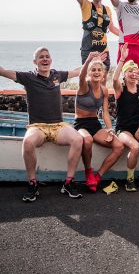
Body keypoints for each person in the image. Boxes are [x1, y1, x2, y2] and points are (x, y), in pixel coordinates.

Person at [0, 47, 83, 202]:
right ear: (35, 62)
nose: (45, 59)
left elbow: (77, 72)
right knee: (28, 141)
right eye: (41, 57)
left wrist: (91, 59)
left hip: (58, 125)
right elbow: (4, 71)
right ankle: (33, 183)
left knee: (78, 139)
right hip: (37, 127)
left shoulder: (57, 75)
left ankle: (68, 182)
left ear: (51, 60)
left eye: (47, 56)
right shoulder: (27, 77)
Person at [75, 52, 121, 192]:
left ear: (103, 73)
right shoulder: (84, 86)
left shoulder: (104, 90)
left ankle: (98, 176)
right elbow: (81, 76)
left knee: (119, 145)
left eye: (99, 70)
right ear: (90, 72)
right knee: (87, 140)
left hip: (95, 124)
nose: (96, 72)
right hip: (81, 124)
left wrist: (110, 130)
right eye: (93, 70)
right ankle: (89, 172)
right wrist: (89, 59)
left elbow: (105, 112)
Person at [63, 0, 119, 72]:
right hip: (88, 50)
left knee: (103, 78)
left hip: (103, 50)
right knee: (88, 77)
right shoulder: (86, 5)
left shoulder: (107, 9)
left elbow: (112, 28)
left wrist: (126, 35)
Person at [112, 44, 139, 191]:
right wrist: (122, 60)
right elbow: (114, 78)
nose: (133, 73)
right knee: (135, 147)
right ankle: (130, 178)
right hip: (123, 128)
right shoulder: (120, 89)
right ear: (125, 74)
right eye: (129, 71)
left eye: (135, 71)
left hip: (138, 125)